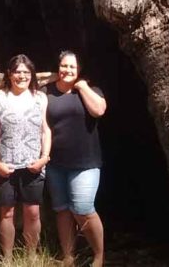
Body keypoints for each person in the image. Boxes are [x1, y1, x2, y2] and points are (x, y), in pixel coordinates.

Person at [44, 51, 107, 267]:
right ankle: (68, 255)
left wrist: (82, 87)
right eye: (63, 66)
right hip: (56, 163)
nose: (67, 70)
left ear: (79, 70)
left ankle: (99, 255)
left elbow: (99, 110)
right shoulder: (48, 93)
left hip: (85, 164)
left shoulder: (91, 90)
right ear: (57, 68)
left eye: (72, 67)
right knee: (62, 209)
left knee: (82, 208)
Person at [0, 54, 51, 259]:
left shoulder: (40, 98)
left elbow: (45, 130)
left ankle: (31, 256)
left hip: (33, 164)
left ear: (32, 75)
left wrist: (44, 157)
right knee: (7, 213)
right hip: (5, 165)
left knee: (32, 213)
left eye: (26, 72)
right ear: (9, 74)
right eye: (17, 72)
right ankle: (7, 258)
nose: (21, 76)